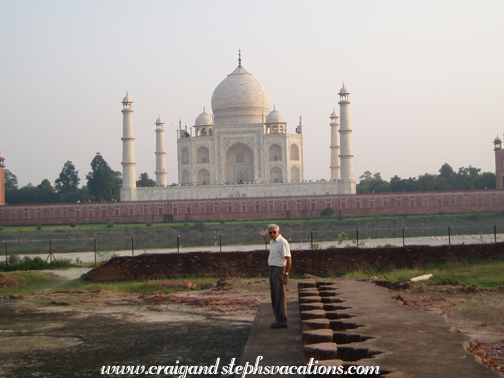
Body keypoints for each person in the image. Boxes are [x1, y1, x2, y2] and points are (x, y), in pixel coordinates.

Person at [259, 224, 292, 329]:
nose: (272, 234)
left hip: (279, 270)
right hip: (273, 269)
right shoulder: (274, 241)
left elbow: (289, 259)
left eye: (274, 232)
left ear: (279, 232)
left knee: (279, 296)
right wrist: (264, 236)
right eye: (270, 233)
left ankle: (282, 321)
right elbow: (270, 242)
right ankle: (278, 319)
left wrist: (286, 275)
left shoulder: (282, 243)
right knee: (274, 295)